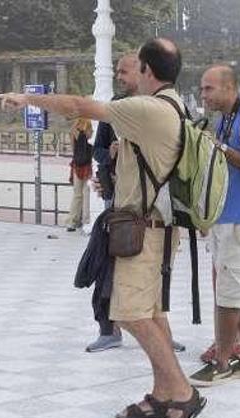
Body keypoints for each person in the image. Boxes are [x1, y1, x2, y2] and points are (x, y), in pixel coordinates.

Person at [0, 38, 206, 418]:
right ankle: (163, 392)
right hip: (155, 226)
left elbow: (79, 106)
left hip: (143, 230)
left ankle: (183, 392)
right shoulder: (175, 105)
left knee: (128, 313)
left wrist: (27, 98)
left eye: (133, 69)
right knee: (150, 311)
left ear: (147, 70)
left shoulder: (148, 108)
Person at [86, 53, 186, 354]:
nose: (120, 76)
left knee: (153, 277)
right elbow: (98, 152)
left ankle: (161, 338)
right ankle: (108, 329)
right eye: (117, 71)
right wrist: (111, 157)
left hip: (154, 209)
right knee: (109, 268)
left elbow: (177, 156)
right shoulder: (115, 108)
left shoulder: (164, 108)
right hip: (119, 205)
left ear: (145, 73)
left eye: (126, 71)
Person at [189, 65, 240, 386]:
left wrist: (219, 147)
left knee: (229, 293)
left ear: (229, 88)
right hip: (225, 217)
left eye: (209, 89)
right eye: (202, 89)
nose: (204, 95)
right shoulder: (223, 119)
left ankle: (221, 362)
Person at [66, 117, 93, 232]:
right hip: (89, 165)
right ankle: (86, 221)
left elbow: (73, 149)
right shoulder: (90, 130)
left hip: (77, 165)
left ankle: (72, 221)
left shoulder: (74, 130)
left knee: (77, 194)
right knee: (87, 193)